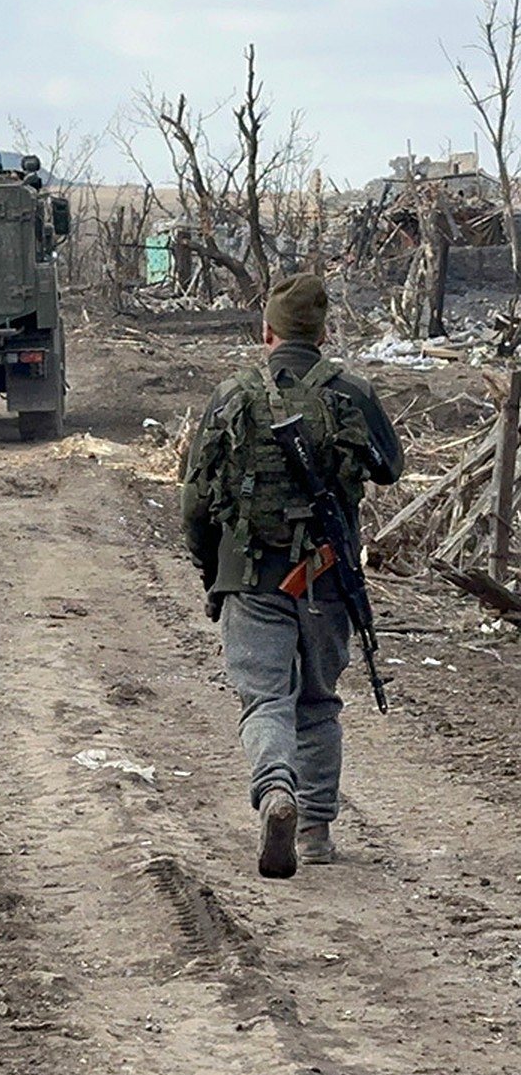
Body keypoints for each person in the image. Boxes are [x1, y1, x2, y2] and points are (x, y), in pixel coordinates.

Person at [181, 273, 403, 879]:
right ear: (323, 331)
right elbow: (390, 468)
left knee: (264, 699)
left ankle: (276, 791)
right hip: (327, 578)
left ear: (267, 331)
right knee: (319, 702)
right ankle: (316, 832)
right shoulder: (351, 391)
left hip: (251, 576)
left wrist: (212, 573)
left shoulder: (231, 395)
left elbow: (196, 502)